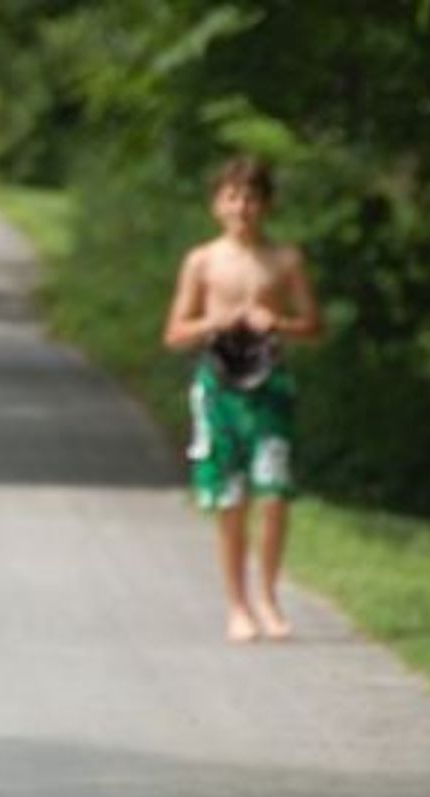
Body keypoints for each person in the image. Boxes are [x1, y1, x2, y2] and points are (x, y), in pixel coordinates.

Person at [162, 156, 323, 643]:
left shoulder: (286, 261)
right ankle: (237, 606)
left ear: (267, 204)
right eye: (232, 196)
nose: (242, 207)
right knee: (229, 499)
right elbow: (174, 333)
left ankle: (269, 597)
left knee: (273, 495)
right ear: (217, 204)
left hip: (270, 383)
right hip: (220, 386)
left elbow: (314, 326)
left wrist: (279, 323)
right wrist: (217, 321)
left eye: (252, 197)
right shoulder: (203, 261)